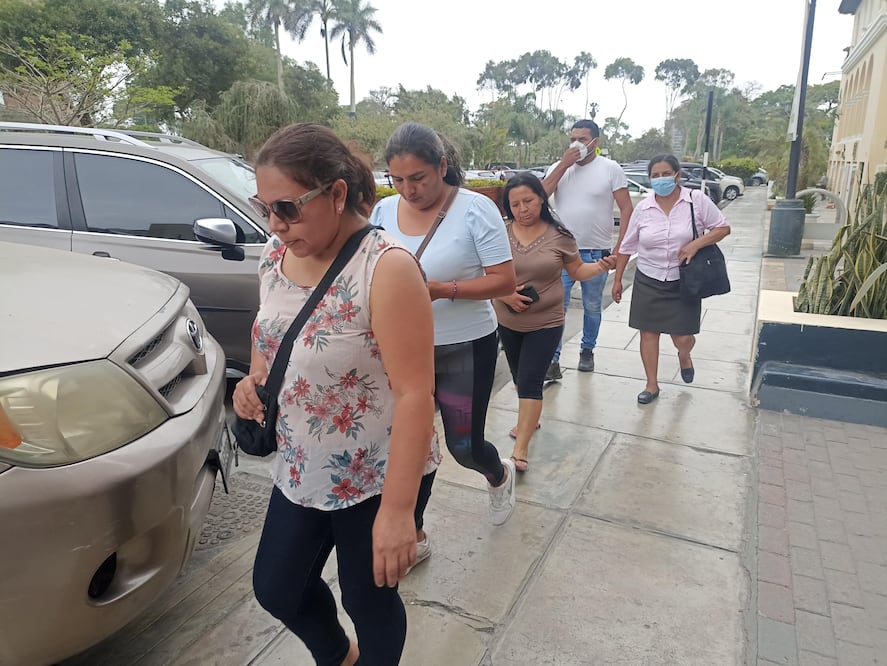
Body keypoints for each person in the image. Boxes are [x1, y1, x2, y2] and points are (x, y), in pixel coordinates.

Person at [233, 123, 437, 665]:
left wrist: (398, 512)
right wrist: (249, 388)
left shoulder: (386, 267)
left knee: (368, 599)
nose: (276, 225)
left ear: (337, 193)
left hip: (376, 471)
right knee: (277, 588)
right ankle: (337, 656)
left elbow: (416, 392)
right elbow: (268, 345)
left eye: (288, 208)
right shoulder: (274, 257)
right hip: (302, 462)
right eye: (265, 208)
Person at [370, 121, 518, 571]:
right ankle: (415, 531)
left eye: (419, 178)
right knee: (408, 443)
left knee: (463, 446)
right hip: (402, 348)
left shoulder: (475, 209)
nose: (408, 189)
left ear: (443, 166)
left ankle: (499, 474)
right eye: (397, 179)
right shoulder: (383, 213)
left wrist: (440, 289)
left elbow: (504, 280)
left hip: (462, 345)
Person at [494, 172, 616, 471]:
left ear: (541, 198)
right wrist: (505, 294)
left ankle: (520, 450)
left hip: (546, 322)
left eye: (529, 201)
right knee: (520, 377)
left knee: (532, 382)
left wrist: (600, 266)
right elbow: (486, 272)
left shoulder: (560, 235)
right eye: (515, 204)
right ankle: (529, 420)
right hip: (507, 320)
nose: (523, 209)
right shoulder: (499, 232)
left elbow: (577, 271)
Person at [612, 154, 731, 404]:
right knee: (648, 334)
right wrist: (618, 279)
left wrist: (695, 244)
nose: (660, 179)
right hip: (649, 277)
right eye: (655, 176)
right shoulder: (643, 209)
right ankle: (651, 385)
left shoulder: (695, 201)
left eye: (665, 174)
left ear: (677, 175)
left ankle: (684, 355)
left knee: (683, 337)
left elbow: (722, 228)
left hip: (684, 279)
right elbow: (626, 246)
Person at [541, 119, 635, 379]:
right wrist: (564, 164)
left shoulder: (610, 169)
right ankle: (553, 360)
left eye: (582, 139)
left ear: (596, 142)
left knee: (592, 306)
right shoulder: (559, 168)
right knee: (556, 308)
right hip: (562, 252)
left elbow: (627, 209)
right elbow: (540, 197)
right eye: (573, 138)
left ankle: (587, 350)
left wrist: (619, 248)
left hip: (597, 252)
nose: (577, 144)